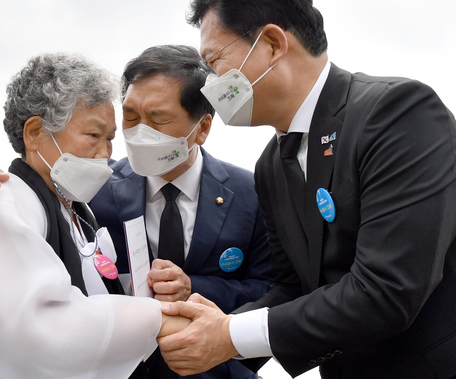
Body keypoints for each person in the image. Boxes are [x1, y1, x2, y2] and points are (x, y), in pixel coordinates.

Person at [0, 45, 273, 379]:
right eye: (130, 117)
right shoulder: (93, 186)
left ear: (201, 128)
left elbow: (274, 291)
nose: (138, 133)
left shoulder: (253, 193)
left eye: (158, 119)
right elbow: (30, 189)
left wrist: (193, 289)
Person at [157, 1, 456, 379]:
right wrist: (202, 335)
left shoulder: (396, 113)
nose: (209, 84)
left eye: (214, 62)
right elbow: (292, 288)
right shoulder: (270, 166)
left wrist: (229, 335)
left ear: (271, 44)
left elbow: (386, 291)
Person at [0, 53, 189, 379]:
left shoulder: (78, 210)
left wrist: (155, 289)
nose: (106, 154)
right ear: (35, 132)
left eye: (109, 140)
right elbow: (41, 331)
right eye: (93, 136)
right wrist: (156, 318)